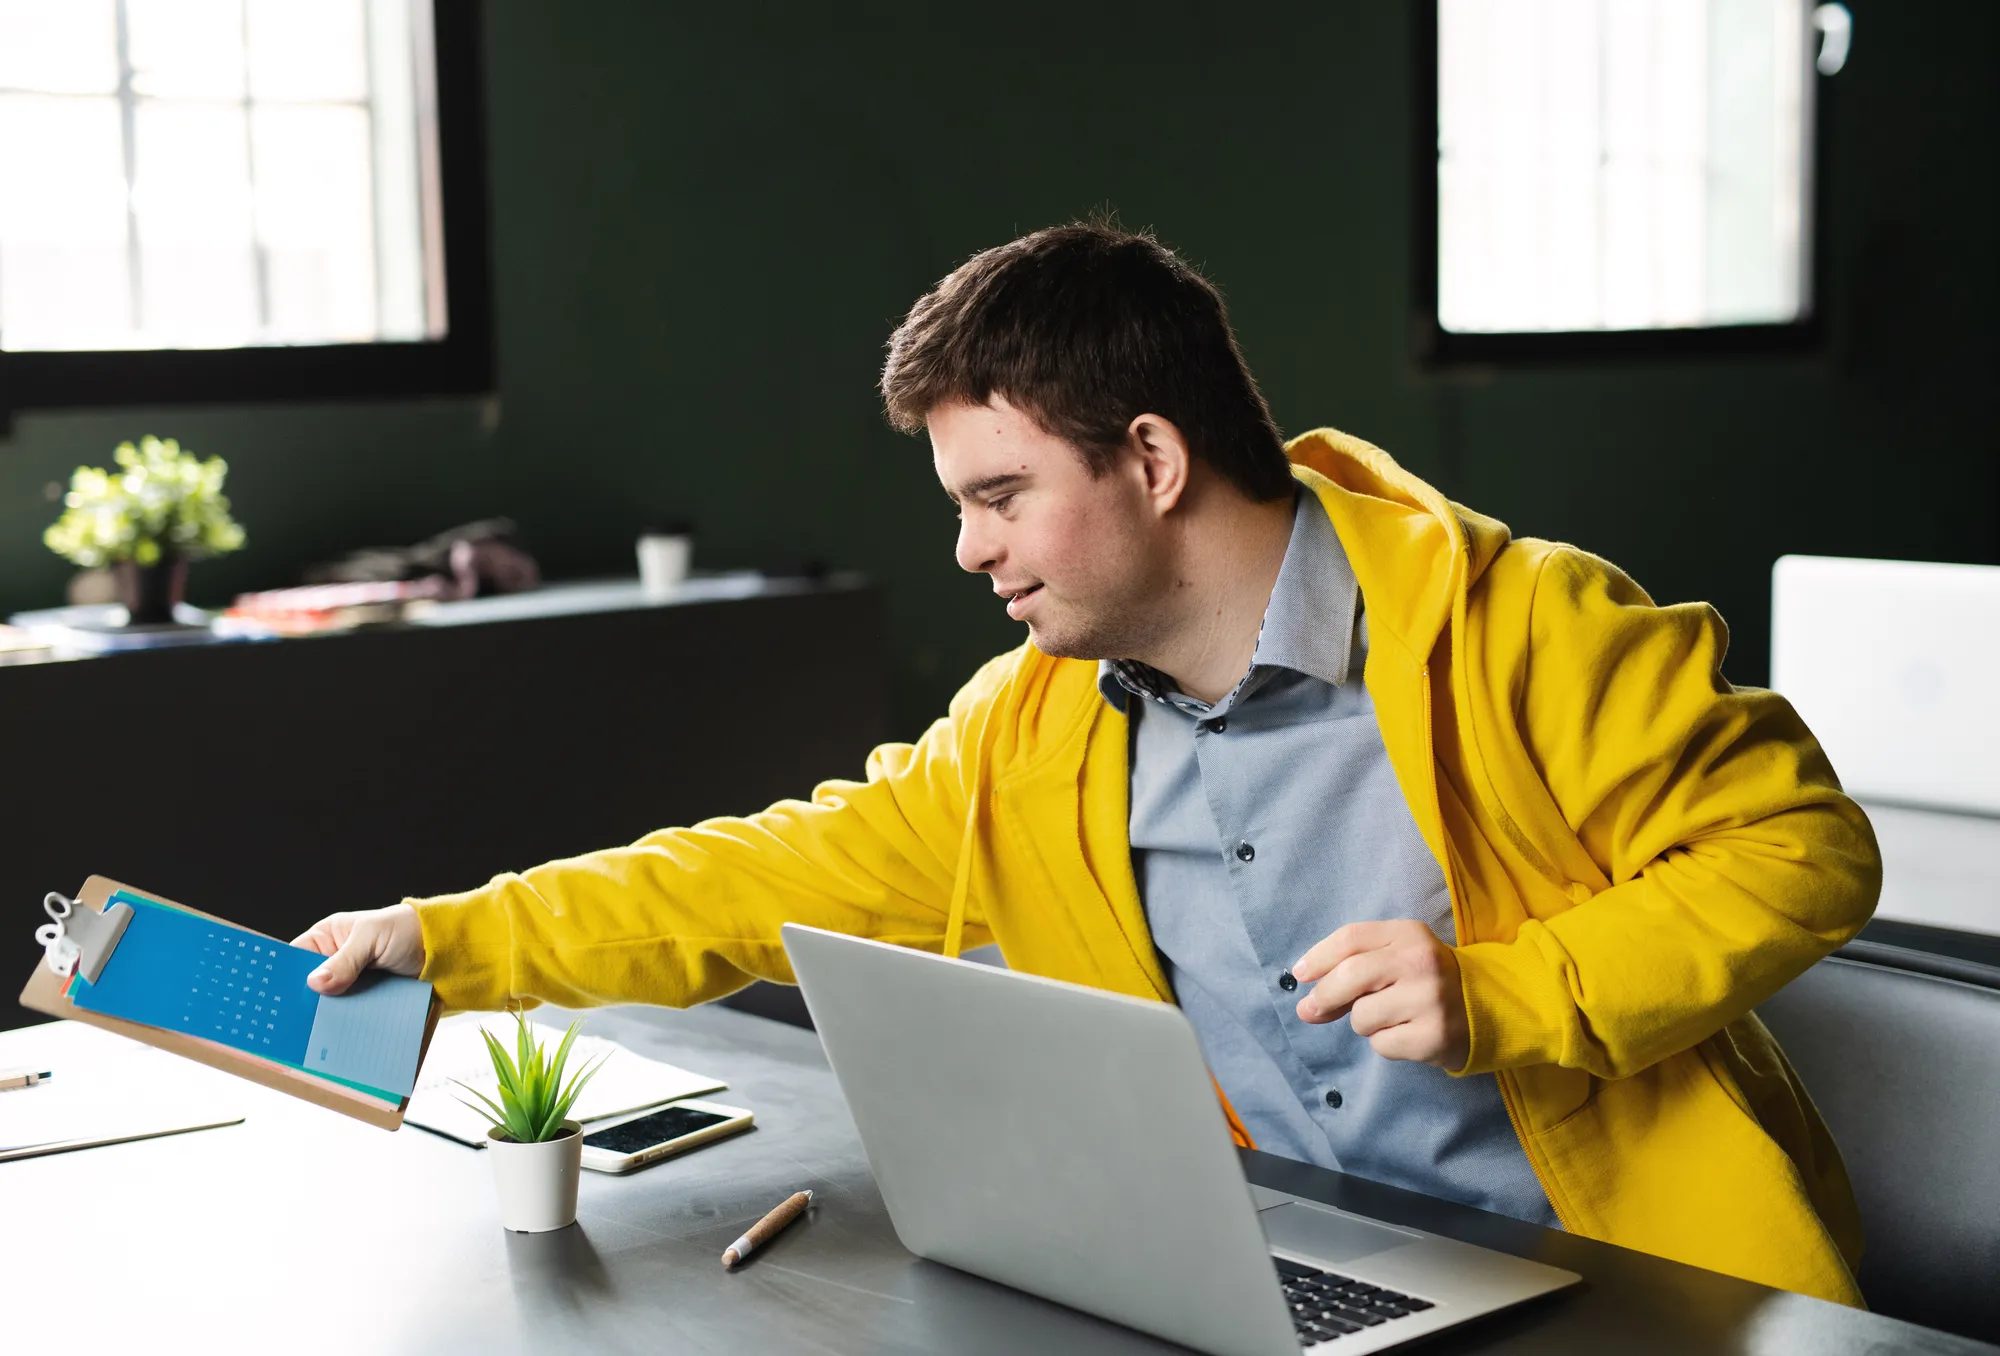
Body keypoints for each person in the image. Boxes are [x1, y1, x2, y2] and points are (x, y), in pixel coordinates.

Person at [296, 222, 1878, 1304]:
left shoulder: (1528, 623)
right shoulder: (1030, 727)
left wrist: (1511, 993)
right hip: (1287, 1275)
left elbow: (1804, 847)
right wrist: (448, 939)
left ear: (1155, 459)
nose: (969, 548)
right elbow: (761, 875)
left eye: (1000, 496)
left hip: (1634, 1295)